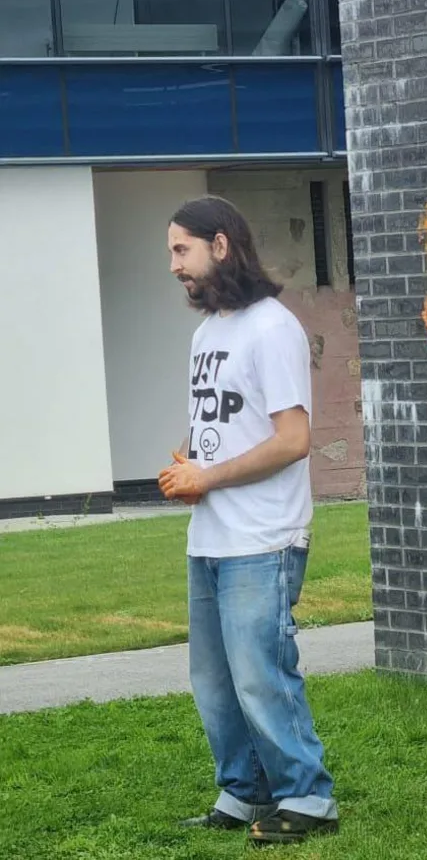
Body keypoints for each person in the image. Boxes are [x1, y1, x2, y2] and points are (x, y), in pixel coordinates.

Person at [156, 195, 339, 845]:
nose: (173, 263)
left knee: (262, 670)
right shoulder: (209, 334)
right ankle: (243, 789)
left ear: (221, 245)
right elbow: (227, 422)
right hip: (211, 534)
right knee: (213, 678)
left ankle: (308, 796)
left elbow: (293, 439)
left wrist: (206, 476)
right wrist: (190, 457)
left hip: (264, 536)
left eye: (182, 248)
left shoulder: (272, 327)